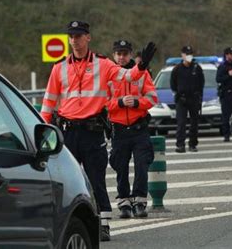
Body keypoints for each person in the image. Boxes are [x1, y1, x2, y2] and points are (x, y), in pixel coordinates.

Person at [41, 21, 157, 241]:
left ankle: (102, 223)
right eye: (71, 36)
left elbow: (127, 76)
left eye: (79, 35)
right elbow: (48, 102)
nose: (74, 40)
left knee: (97, 180)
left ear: (88, 38)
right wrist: (40, 129)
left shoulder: (103, 64)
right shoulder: (59, 67)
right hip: (68, 132)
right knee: (66, 181)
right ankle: (68, 224)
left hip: (92, 132)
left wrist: (140, 68)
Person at [107, 40, 158, 219]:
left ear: (130, 54)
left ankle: (139, 202)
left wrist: (137, 103)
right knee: (120, 168)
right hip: (119, 130)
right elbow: (102, 104)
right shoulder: (108, 74)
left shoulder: (142, 73)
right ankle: (124, 203)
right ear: (113, 55)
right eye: (118, 54)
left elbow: (152, 98)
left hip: (139, 128)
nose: (121, 57)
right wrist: (119, 103)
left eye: (125, 53)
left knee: (142, 166)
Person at [170, 45, 205, 153]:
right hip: (182, 99)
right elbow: (173, 84)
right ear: (182, 55)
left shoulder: (196, 68)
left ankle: (192, 144)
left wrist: (199, 97)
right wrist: (179, 94)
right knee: (181, 123)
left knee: (194, 123)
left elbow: (201, 83)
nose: (189, 56)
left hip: (194, 99)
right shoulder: (177, 69)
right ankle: (180, 145)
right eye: (186, 54)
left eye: (190, 54)